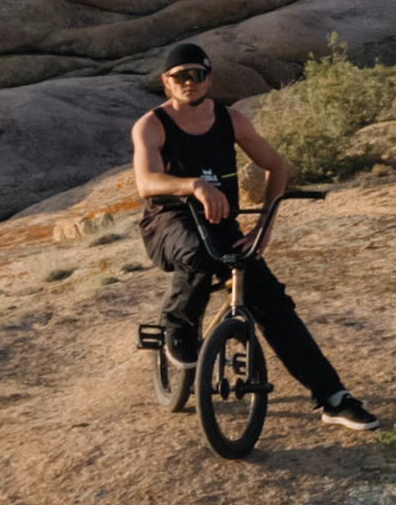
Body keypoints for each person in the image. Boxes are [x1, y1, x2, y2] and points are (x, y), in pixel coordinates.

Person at [130, 42, 380, 431]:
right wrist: (194, 185)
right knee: (198, 255)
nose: (189, 83)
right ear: (167, 83)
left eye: (196, 75)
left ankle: (332, 397)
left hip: (221, 221)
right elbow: (146, 183)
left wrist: (264, 226)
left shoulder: (231, 120)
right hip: (169, 221)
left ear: (209, 78)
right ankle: (176, 326)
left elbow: (276, 165)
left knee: (274, 305)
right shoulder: (152, 124)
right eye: (180, 77)